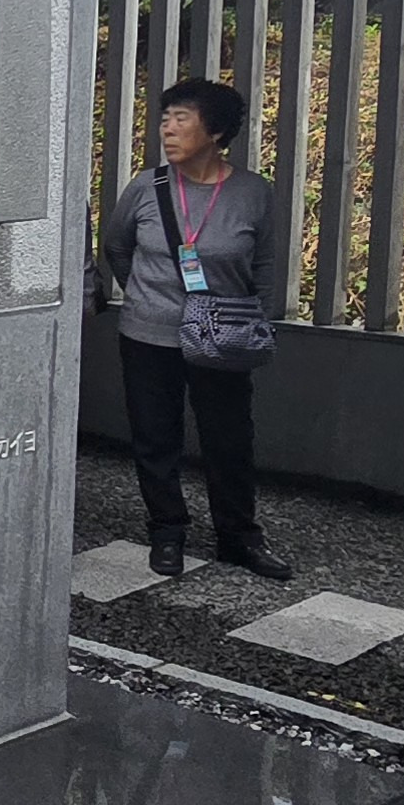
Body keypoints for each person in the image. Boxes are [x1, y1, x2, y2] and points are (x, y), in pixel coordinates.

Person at [102, 79, 291, 583]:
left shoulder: (252, 192)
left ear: (217, 132)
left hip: (222, 336)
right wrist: (149, 298)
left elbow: (264, 263)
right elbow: (117, 247)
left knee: (229, 438)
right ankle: (167, 530)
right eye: (165, 118)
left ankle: (239, 536)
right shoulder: (146, 187)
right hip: (148, 333)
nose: (167, 128)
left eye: (181, 118)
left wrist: (256, 320)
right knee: (155, 436)